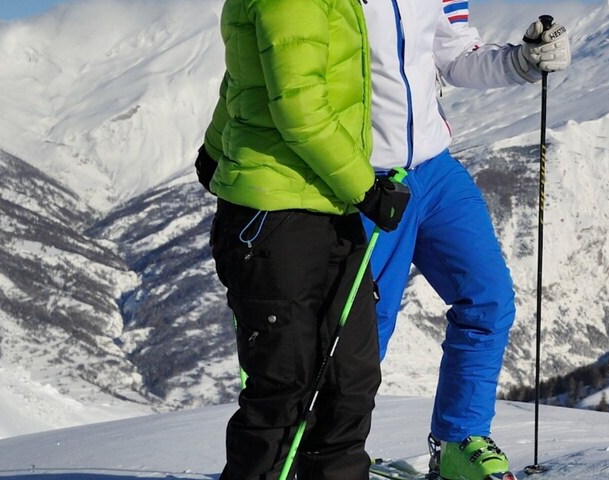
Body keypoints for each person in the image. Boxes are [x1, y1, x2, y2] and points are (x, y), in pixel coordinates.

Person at [351, 2, 569, 479]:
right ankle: (335, 449)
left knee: (488, 298)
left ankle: (458, 441)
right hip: (363, 178)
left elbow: (453, 55)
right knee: (364, 324)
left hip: (432, 169)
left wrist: (522, 61)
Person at [196, 0, 411, 478]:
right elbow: (298, 106)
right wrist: (366, 189)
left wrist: (213, 148)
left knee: (349, 380)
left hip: (328, 208)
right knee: (284, 388)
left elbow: (244, 80)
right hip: (277, 218)